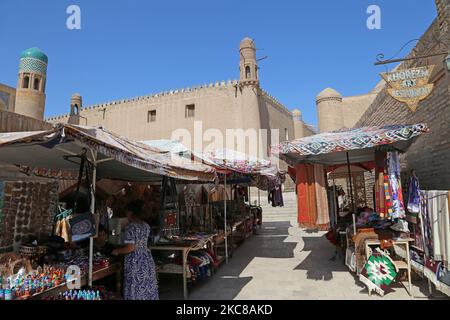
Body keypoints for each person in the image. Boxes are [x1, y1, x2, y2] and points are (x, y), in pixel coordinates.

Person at [111, 200, 159, 300]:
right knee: (146, 288)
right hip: (146, 260)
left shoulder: (130, 227)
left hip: (136, 263)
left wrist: (117, 251)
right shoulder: (146, 226)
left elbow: (131, 248)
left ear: (130, 212)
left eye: (126, 212)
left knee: (135, 288)